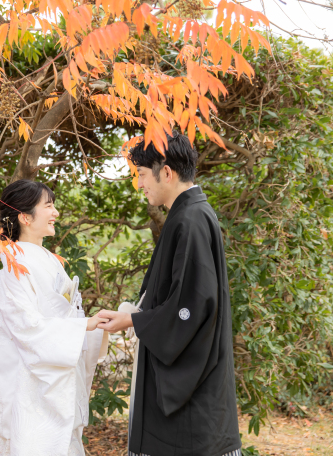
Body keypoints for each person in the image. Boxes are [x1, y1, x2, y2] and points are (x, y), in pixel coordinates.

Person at [96, 133, 242, 456]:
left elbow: (191, 307)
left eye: (143, 175)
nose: (140, 184)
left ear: (166, 173)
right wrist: (135, 317)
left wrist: (134, 320)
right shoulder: (188, 215)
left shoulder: (190, 220)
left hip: (191, 400)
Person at [0, 180, 107, 456]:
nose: (56, 213)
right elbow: (29, 330)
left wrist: (97, 328)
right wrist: (83, 326)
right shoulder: (8, 274)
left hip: (57, 391)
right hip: (30, 403)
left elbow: (70, 319)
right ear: (25, 217)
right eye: (48, 206)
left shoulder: (49, 262)